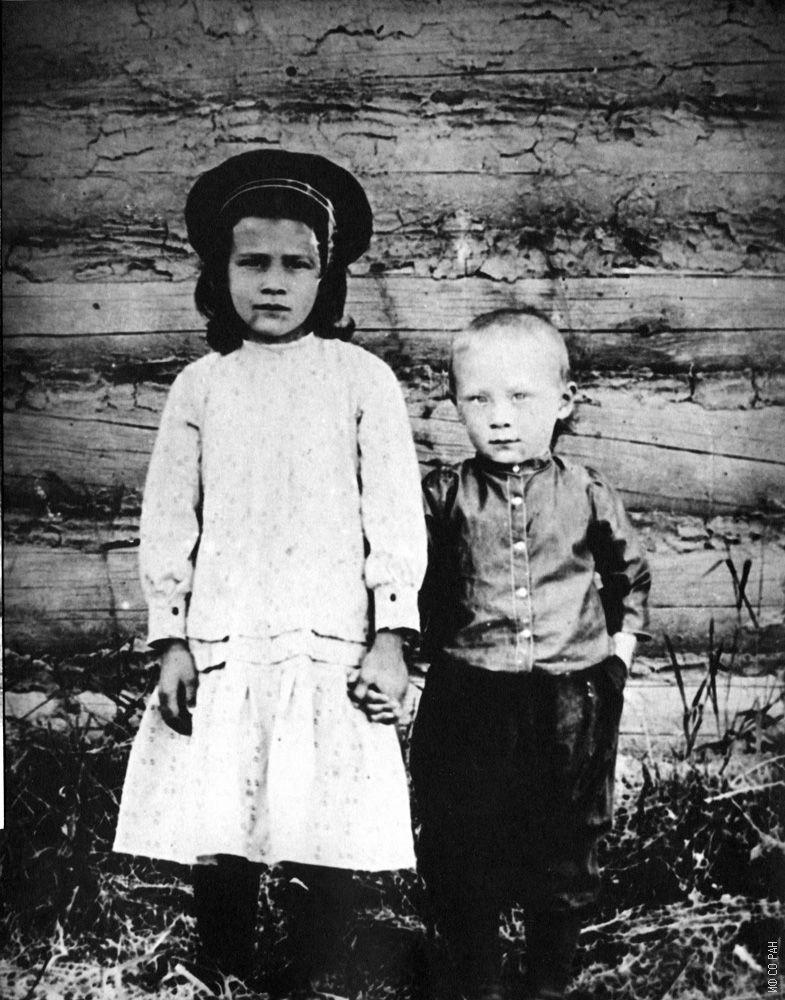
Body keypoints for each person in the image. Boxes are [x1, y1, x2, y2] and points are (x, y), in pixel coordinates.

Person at [113, 149, 427, 996]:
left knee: (321, 811)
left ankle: (312, 972)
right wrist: (172, 639)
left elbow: (393, 513)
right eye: (253, 262)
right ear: (220, 275)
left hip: (328, 638)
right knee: (224, 812)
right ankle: (225, 970)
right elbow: (169, 520)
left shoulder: (361, 381)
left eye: (298, 264)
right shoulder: (201, 387)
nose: (275, 283)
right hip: (228, 637)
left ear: (328, 276)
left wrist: (391, 635)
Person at [410, 308, 651, 1000]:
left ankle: (549, 978)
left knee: (567, 834)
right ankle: (478, 979)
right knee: (464, 835)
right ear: (455, 404)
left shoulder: (585, 490)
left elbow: (628, 575)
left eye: (521, 397)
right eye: (478, 399)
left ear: (564, 401)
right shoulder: (444, 496)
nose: (500, 418)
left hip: (571, 695)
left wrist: (617, 655)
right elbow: (411, 580)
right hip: (472, 697)